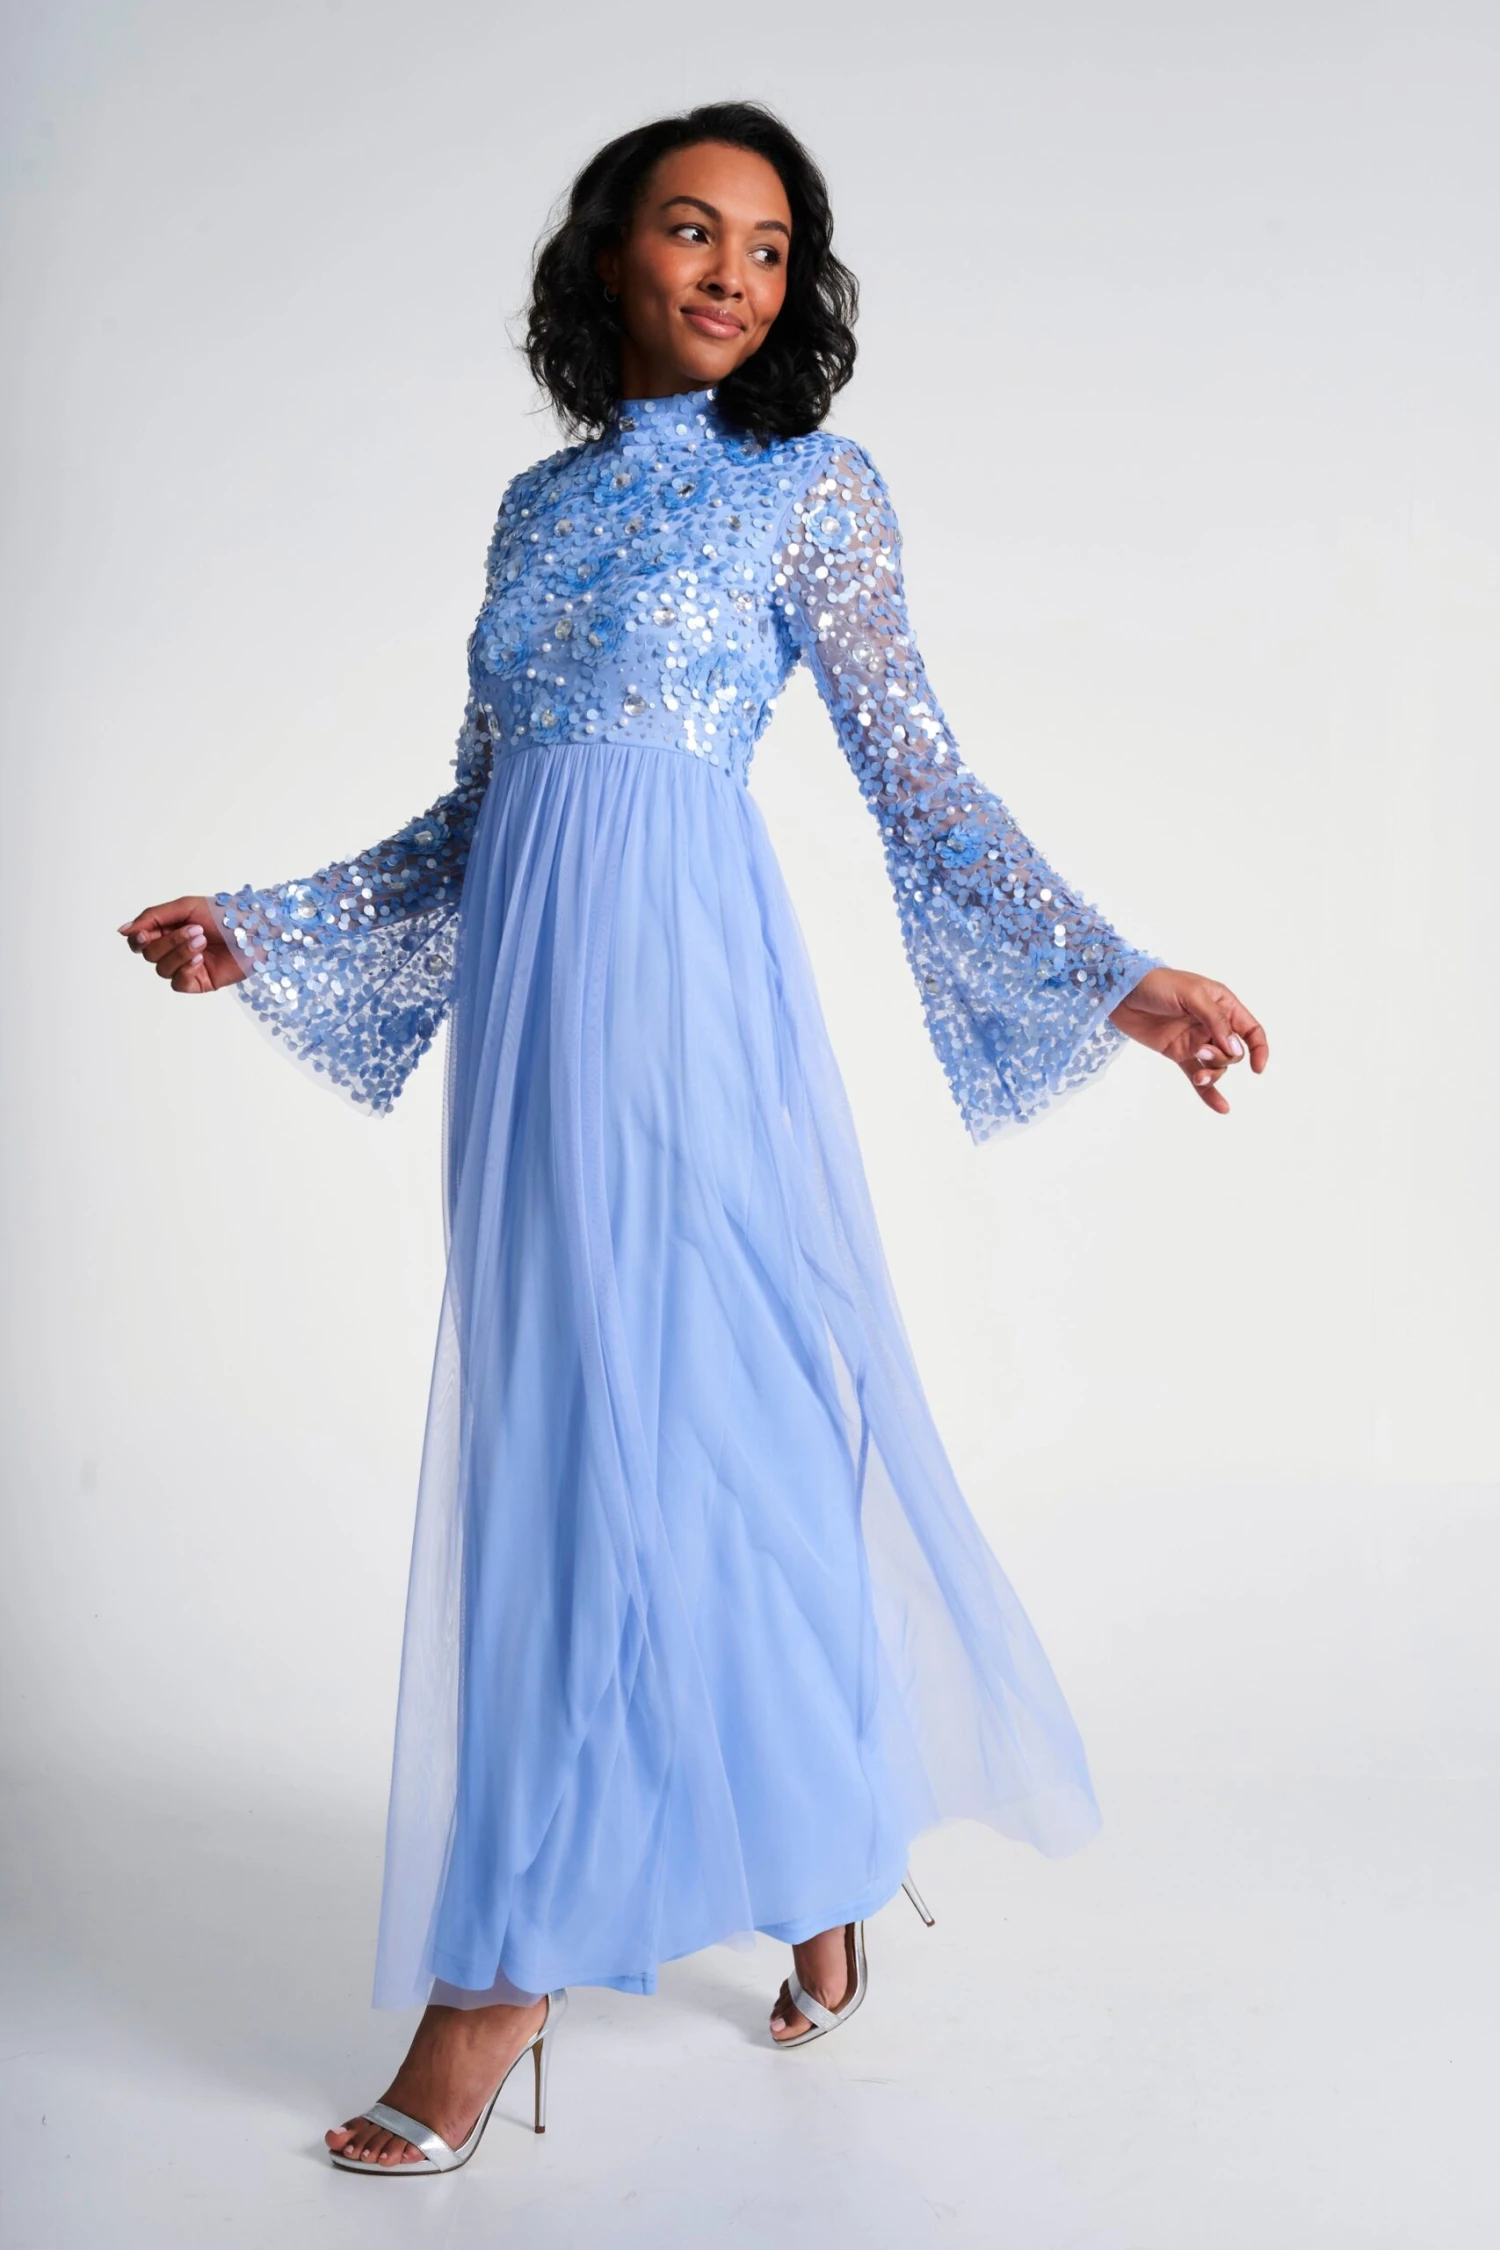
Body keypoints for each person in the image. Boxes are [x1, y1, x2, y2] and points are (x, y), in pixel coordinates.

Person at [119, 101, 1267, 2175]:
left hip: (686, 999)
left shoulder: (812, 488)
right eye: (691, 229)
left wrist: (1115, 974)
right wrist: (271, 927)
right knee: (624, 1430)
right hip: (534, 1020)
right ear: (609, 257)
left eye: (769, 244)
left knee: (653, 1436)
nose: (734, 272)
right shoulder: (536, 510)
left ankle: (497, 1982)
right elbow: (482, 810)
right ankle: (822, 1860)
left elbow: (921, 781)